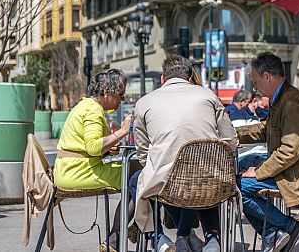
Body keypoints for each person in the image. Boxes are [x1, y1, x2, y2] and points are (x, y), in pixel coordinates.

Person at [132, 55, 238, 252]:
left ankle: (158, 237)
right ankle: (210, 238)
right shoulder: (208, 95)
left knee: (141, 181)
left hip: (167, 183)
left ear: (163, 79)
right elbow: (230, 140)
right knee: (203, 179)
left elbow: (143, 152)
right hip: (209, 180)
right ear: (190, 77)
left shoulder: (144, 102)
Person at [237, 52, 299, 251]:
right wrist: (236, 134)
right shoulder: (281, 97)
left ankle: (286, 227)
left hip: (295, 174)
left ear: (267, 76)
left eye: (255, 81)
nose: (254, 87)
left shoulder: (290, 102)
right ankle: (273, 235)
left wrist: (260, 171)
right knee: (240, 174)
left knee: (238, 189)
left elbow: (291, 149)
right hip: (290, 169)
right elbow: (265, 130)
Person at [52, 69, 135, 251]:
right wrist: (122, 132)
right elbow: (93, 147)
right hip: (79, 172)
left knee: (135, 174)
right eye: (120, 95)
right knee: (139, 176)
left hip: (69, 170)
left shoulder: (84, 105)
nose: (122, 100)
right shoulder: (93, 110)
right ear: (106, 90)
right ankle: (119, 234)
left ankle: (129, 227)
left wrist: (108, 147)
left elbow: (91, 146)